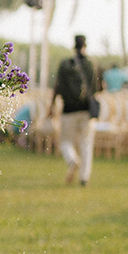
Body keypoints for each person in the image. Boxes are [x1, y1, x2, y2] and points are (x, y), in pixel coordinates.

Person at [50, 33, 99, 186]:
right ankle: (84, 178)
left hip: (69, 109)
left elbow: (58, 85)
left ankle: (72, 159)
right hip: (86, 110)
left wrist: (52, 104)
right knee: (86, 144)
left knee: (65, 141)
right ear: (85, 45)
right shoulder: (91, 64)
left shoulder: (65, 64)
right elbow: (96, 87)